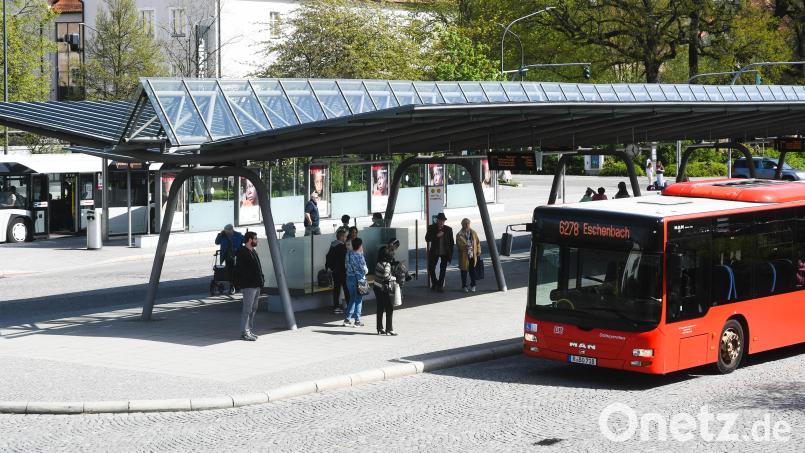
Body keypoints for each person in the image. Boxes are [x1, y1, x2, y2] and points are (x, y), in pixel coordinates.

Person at [233, 231, 264, 341]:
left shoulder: (253, 251)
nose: (257, 240)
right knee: (247, 309)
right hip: (249, 286)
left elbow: (258, 267)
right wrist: (247, 280)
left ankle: (249, 330)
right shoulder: (242, 252)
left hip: (256, 285)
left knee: (254, 308)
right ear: (250, 240)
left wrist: (261, 280)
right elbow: (240, 270)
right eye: (255, 238)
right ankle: (244, 332)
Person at [425, 212, 454, 292]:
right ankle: (435, 283)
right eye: (440, 220)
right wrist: (437, 235)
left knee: (443, 269)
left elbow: (451, 243)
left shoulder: (448, 229)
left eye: (443, 220)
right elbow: (427, 239)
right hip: (435, 252)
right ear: (437, 220)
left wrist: (450, 254)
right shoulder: (431, 228)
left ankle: (440, 286)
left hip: (445, 253)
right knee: (431, 268)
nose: (441, 222)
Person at [344, 237, 368, 327]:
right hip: (359, 279)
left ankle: (347, 319)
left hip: (349, 278)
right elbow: (365, 269)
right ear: (360, 245)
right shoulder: (360, 255)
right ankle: (357, 320)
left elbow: (346, 266)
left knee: (352, 298)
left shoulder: (348, 254)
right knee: (358, 299)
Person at [373, 245, 397, 335]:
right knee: (389, 308)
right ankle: (389, 329)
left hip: (377, 288)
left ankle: (379, 328)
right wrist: (393, 277)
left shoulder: (378, 263)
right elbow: (386, 276)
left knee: (380, 307)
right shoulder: (387, 264)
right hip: (384, 289)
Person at [215, 224, 244, 294]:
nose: (227, 232)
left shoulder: (238, 235)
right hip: (227, 257)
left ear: (232, 230)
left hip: (237, 256)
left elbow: (245, 241)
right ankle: (233, 286)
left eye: (228, 231)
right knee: (230, 272)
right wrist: (219, 234)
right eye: (225, 231)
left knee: (236, 272)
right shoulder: (222, 235)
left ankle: (236, 286)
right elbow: (217, 242)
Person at [326, 229, 349, 314]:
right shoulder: (342, 247)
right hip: (342, 271)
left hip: (335, 271)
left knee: (336, 289)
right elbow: (344, 260)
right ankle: (349, 306)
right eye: (345, 236)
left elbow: (328, 257)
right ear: (341, 237)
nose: (346, 238)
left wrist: (329, 268)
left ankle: (336, 307)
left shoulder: (333, 245)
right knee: (346, 289)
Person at [456, 218, 481, 293]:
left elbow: (478, 242)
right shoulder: (459, 235)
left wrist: (479, 250)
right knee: (464, 272)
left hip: (472, 255)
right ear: (462, 225)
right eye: (465, 223)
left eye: (468, 223)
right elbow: (459, 245)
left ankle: (473, 285)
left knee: (472, 271)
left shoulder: (473, 232)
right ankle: (464, 286)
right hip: (464, 256)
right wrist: (465, 247)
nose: (467, 225)